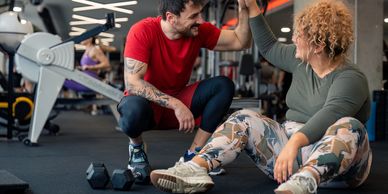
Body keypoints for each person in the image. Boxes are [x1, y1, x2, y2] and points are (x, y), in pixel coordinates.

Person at [150, 0, 372, 193]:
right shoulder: (301, 61)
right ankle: (195, 167)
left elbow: (329, 114)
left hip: (339, 168)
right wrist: (252, 6)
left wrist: (294, 143)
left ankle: (306, 181)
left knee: (348, 125)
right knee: (244, 117)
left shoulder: (351, 78)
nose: (293, 38)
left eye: (299, 35)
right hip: (290, 159)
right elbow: (268, 46)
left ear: (318, 46)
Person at [118, 0, 251, 178]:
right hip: (148, 105)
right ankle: (136, 147)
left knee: (223, 85)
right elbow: (133, 83)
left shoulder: (198, 30)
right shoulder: (143, 30)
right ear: (171, 18)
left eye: (200, 13)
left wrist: (243, 9)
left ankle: (194, 155)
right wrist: (175, 104)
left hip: (181, 98)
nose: (201, 20)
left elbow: (240, 42)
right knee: (132, 110)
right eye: (194, 16)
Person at [63, 37, 110, 114]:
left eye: (85, 37)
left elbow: (106, 64)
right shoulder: (87, 50)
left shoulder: (94, 50)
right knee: (60, 76)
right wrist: (80, 68)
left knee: (61, 78)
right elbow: (86, 67)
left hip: (89, 82)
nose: (82, 38)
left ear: (90, 39)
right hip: (84, 80)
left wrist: (90, 67)